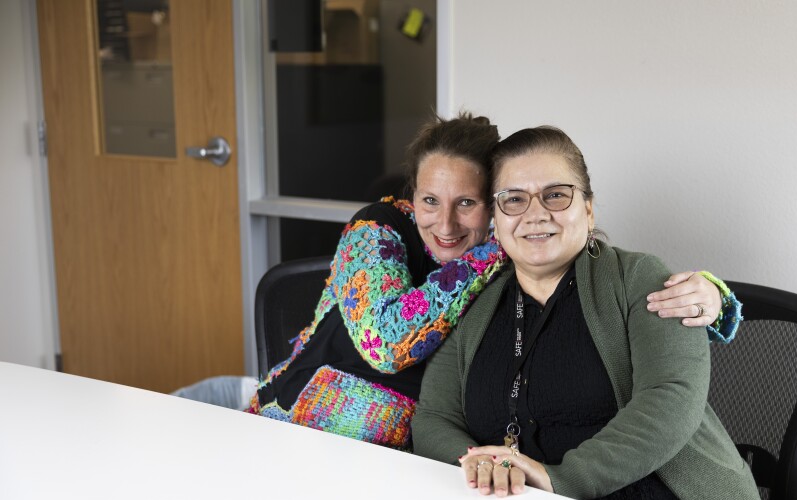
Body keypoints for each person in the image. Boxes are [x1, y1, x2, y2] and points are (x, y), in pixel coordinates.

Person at [177, 112, 737, 450]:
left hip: (386, 466)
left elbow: (594, 274)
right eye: (429, 200)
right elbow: (386, 342)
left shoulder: (510, 258)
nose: (444, 224)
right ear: (411, 196)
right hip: (277, 425)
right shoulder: (380, 227)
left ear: (492, 204)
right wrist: (492, 247)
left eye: (467, 203)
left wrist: (715, 294)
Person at [411, 126, 790, 500]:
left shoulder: (639, 279)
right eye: (514, 199)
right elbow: (433, 416)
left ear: (588, 209)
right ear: (497, 217)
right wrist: (478, 464)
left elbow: (671, 401)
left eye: (555, 195)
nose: (534, 214)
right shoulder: (479, 298)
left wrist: (559, 479)